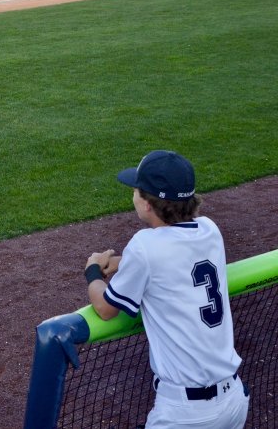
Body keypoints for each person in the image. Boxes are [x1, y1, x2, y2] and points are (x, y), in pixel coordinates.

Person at [84, 150, 250, 428]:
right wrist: (123, 264)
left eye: (136, 190)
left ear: (148, 204)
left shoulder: (144, 246)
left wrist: (92, 270)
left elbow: (104, 308)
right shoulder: (210, 230)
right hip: (233, 401)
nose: (133, 195)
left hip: (185, 415)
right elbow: (176, 259)